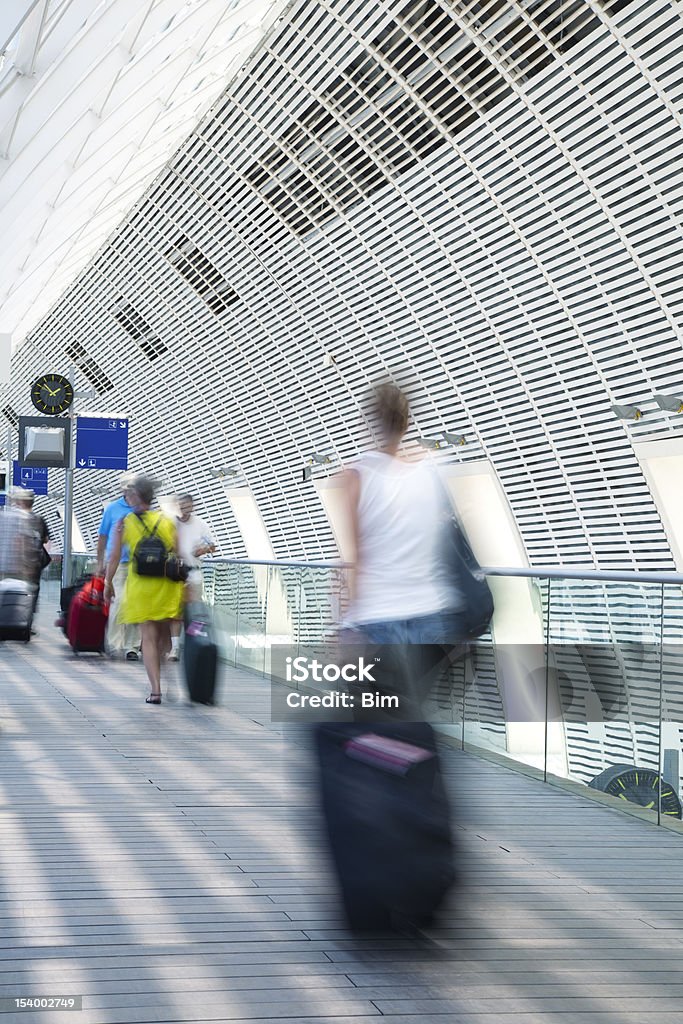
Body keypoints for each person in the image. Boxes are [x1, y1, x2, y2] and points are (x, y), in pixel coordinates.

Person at [104, 474, 184, 704]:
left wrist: (108, 583)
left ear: (137, 496)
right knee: (163, 639)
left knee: (147, 638)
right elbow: (177, 553)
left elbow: (115, 556)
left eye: (130, 493)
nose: (127, 496)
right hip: (166, 586)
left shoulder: (125, 523)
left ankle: (156, 690)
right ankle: (168, 671)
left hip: (140, 586)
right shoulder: (168, 521)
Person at [97, 474, 141, 660]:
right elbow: (103, 536)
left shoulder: (142, 509)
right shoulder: (113, 509)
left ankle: (132, 646)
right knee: (120, 601)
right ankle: (116, 643)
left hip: (139, 565)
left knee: (135, 604)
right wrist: (100, 562)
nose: (130, 491)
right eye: (128, 488)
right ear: (123, 489)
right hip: (118, 564)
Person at [168, 493, 216, 661]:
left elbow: (212, 545)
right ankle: (174, 648)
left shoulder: (201, 524)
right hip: (175, 573)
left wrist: (201, 550)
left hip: (194, 572)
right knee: (175, 612)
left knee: (195, 611)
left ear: (192, 506)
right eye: (182, 505)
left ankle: (193, 645)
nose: (184, 509)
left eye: (187, 506)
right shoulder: (171, 524)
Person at [12, 489, 50, 620]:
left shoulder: (15, 519)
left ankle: (14, 618)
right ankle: (28, 621)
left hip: (16, 564)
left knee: (15, 591)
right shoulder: (39, 519)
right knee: (32, 592)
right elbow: (45, 539)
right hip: (35, 564)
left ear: (20, 502)